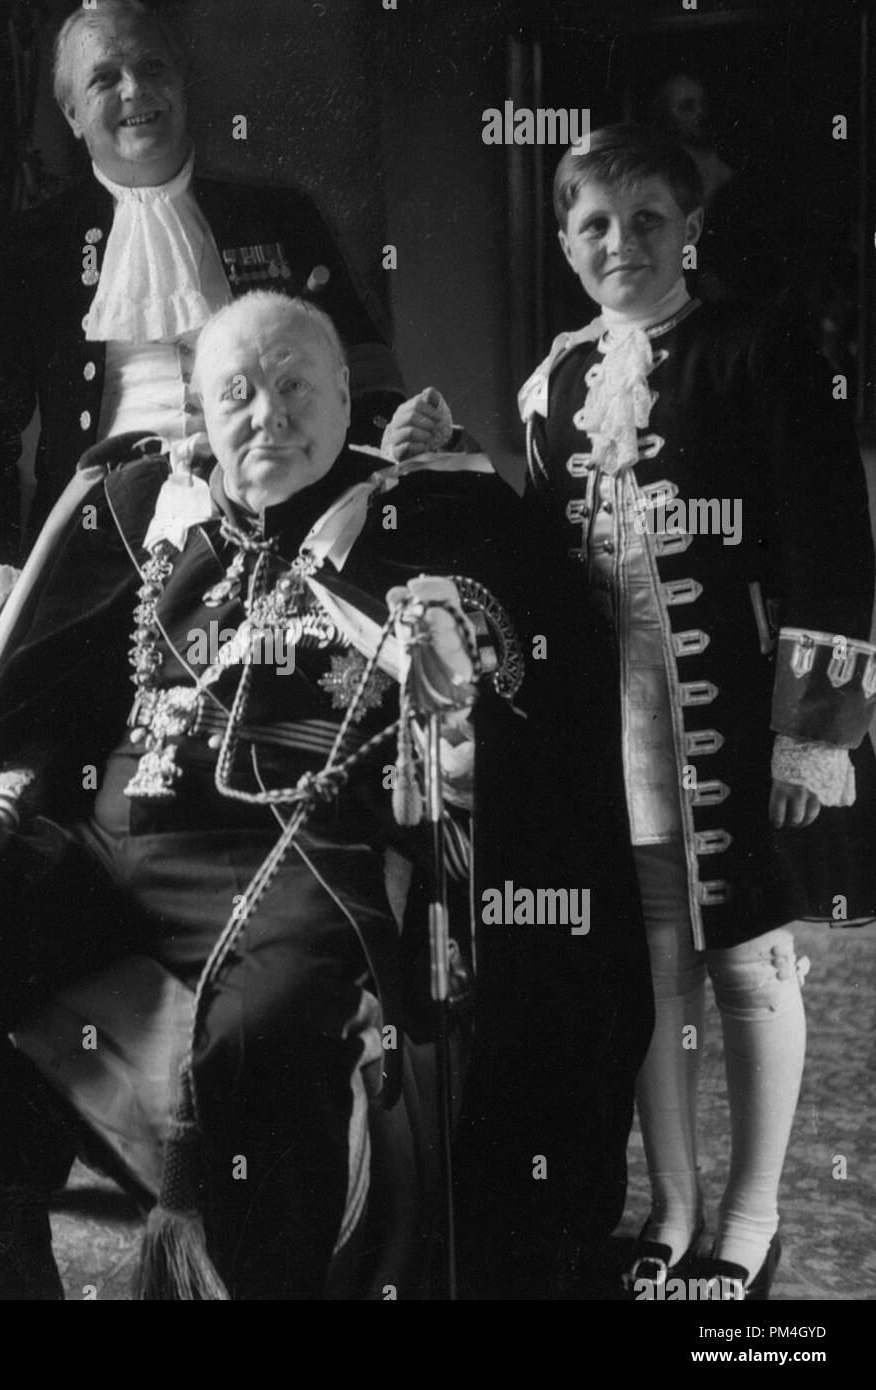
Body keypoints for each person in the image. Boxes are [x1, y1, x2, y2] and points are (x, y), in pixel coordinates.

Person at [0, 288, 604, 1299]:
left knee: (261, 1037)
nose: (267, 416)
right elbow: (55, 694)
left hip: (297, 860)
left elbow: (503, 706)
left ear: (345, 397)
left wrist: (459, 728)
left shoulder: (419, 520)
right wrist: (2, 798)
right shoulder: (151, 515)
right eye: (236, 393)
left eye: (293, 387)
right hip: (112, 844)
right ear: (201, 411)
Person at [510, 125, 873, 1298]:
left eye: (647, 220)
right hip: (610, 729)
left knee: (749, 961)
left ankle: (750, 1219)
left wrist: (810, 732)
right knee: (650, 966)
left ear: (689, 228)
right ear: (565, 244)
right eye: (593, 224)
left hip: (735, 721)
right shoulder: (554, 382)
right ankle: (668, 1209)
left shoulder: (754, 347)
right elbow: (534, 560)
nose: (620, 242)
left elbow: (828, 540)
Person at [0, 0, 403, 570]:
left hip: (277, 527)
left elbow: (364, 371)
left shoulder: (282, 217)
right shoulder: (31, 247)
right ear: (72, 113)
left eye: (152, 67)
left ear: (181, 80)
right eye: (104, 78)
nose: (135, 90)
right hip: (100, 548)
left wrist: (393, 438)